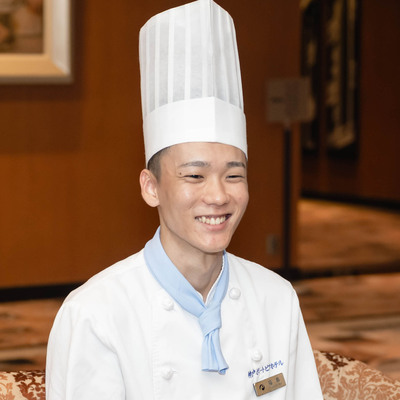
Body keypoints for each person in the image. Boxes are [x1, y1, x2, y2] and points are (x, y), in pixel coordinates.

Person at [46, 1, 323, 399]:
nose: (218, 195)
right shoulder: (95, 313)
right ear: (151, 187)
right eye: (194, 175)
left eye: (234, 175)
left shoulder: (276, 298)